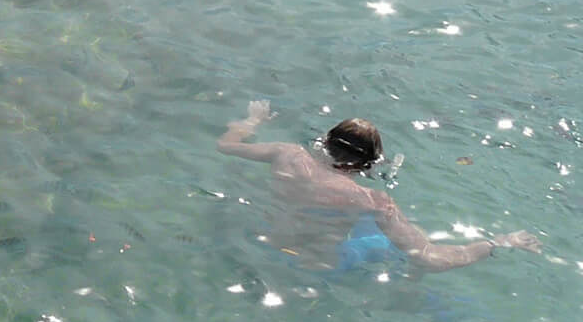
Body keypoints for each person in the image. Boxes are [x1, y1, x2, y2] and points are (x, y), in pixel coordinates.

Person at [218, 102, 540, 272]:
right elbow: (429, 258)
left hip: (265, 245)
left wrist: (252, 120)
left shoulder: (286, 153)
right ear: (370, 164)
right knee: (389, 243)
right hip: (313, 266)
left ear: (324, 142)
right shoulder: (372, 200)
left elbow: (226, 146)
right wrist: (498, 242)